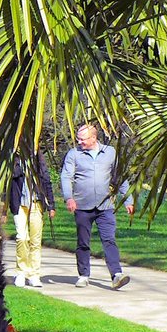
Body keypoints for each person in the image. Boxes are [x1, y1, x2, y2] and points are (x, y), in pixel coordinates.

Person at [59, 122, 133, 289]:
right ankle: (83, 275)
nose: (80, 142)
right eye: (78, 139)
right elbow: (66, 177)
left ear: (93, 138)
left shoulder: (110, 152)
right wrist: (68, 198)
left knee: (109, 240)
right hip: (82, 206)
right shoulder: (74, 154)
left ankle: (116, 275)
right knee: (83, 242)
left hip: (105, 206)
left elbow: (120, 177)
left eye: (83, 139)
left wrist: (127, 200)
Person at [9, 151, 55, 288]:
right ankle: (21, 272)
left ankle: (34, 274)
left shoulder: (38, 160)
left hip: (36, 202)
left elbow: (46, 180)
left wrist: (51, 204)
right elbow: (12, 176)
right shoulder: (13, 159)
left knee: (35, 240)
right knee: (22, 237)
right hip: (20, 203)